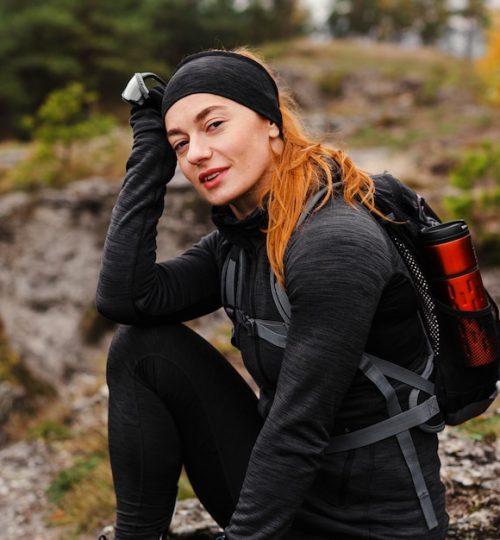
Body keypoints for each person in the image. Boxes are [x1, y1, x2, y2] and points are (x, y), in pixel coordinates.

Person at [96, 48, 449, 540]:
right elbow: (126, 298)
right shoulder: (240, 240)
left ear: (271, 125)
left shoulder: (334, 242)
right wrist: (149, 156)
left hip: (372, 525)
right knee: (141, 350)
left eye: (213, 125)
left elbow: (298, 426)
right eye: (180, 143)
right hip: (283, 496)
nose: (195, 153)